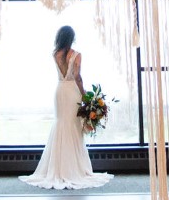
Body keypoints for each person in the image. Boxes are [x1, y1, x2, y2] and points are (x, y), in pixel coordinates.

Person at [19, 26, 113, 190]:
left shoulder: (55, 54)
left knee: (61, 123)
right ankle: (73, 169)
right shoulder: (76, 55)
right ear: (72, 38)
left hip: (60, 91)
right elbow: (77, 76)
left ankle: (58, 167)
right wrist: (85, 96)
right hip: (72, 91)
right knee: (73, 126)